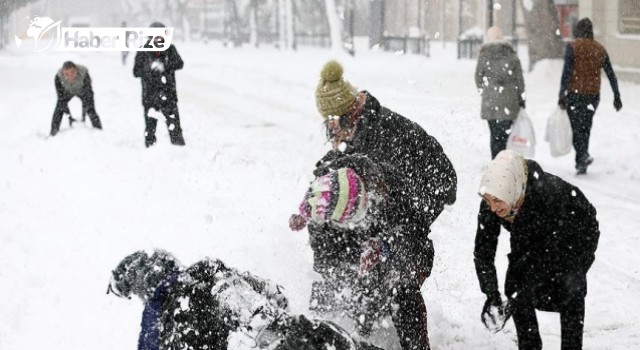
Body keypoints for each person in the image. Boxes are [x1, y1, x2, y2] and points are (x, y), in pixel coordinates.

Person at [299, 60, 457, 350]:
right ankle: (353, 333)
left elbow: (440, 189)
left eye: (332, 125)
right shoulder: (358, 138)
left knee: (397, 281)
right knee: (347, 266)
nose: (331, 135)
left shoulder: (387, 137)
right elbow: (336, 178)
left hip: (411, 215)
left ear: (349, 115)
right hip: (383, 213)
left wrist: (389, 239)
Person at [107, 249, 382, 350]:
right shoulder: (205, 271)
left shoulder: (160, 317)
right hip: (281, 328)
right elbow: (274, 292)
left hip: (267, 330)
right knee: (316, 335)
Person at [473, 150, 600, 350]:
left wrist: (579, 267)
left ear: (511, 191)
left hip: (571, 236)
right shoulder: (494, 197)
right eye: (488, 201)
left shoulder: (547, 194)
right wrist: (491, 294)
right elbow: (483, 252)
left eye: (497, 202)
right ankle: (530, 346)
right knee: (515, 285)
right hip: (533, 239)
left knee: (571, 289)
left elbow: (586, 228)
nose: (493, 208)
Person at [558, 17, 623, 175]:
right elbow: (611, 74)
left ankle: (582, 156)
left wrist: (561, 93)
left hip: (574, 94)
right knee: (585, 127)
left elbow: (566, 72)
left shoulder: (573, 47)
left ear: (578, 30)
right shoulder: (599, 49)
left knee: (576, 129)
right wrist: (616, 95)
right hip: (592, 96)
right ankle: (582, 160)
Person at [474, 26, 526, 159]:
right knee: (505, 135)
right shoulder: (511, 54)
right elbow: (519, 79)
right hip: (509, 100)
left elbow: (478, 77)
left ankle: (495, 161)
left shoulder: (484, 54)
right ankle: (504, 161)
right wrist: (521, 98)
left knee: (494, 135)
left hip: (491, 101)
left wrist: (486, 92)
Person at [133, 22, 185, 147]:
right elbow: (136, 71)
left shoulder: (170, 49)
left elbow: (180, 63)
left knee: (175, 128)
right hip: (150, 97)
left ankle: (180, 154)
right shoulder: (143, 51)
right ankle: (151, 155)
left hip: (169, 96)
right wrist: (149, 69)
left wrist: (164, 66)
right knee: (150, 130)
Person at [50, 61, 103, 136]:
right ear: (63, 73)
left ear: (76, 70)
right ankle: (53, 132)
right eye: (67, 74)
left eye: (72, 72)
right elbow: (61, 100)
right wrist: (70, 118)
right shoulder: (58, 78)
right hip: (67, 92)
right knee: (59, 108)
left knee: (90, 109)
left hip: (82, 91)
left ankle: (99, 131)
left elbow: (88, 96)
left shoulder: (84, 74)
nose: (70, 76)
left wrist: (83, 118)